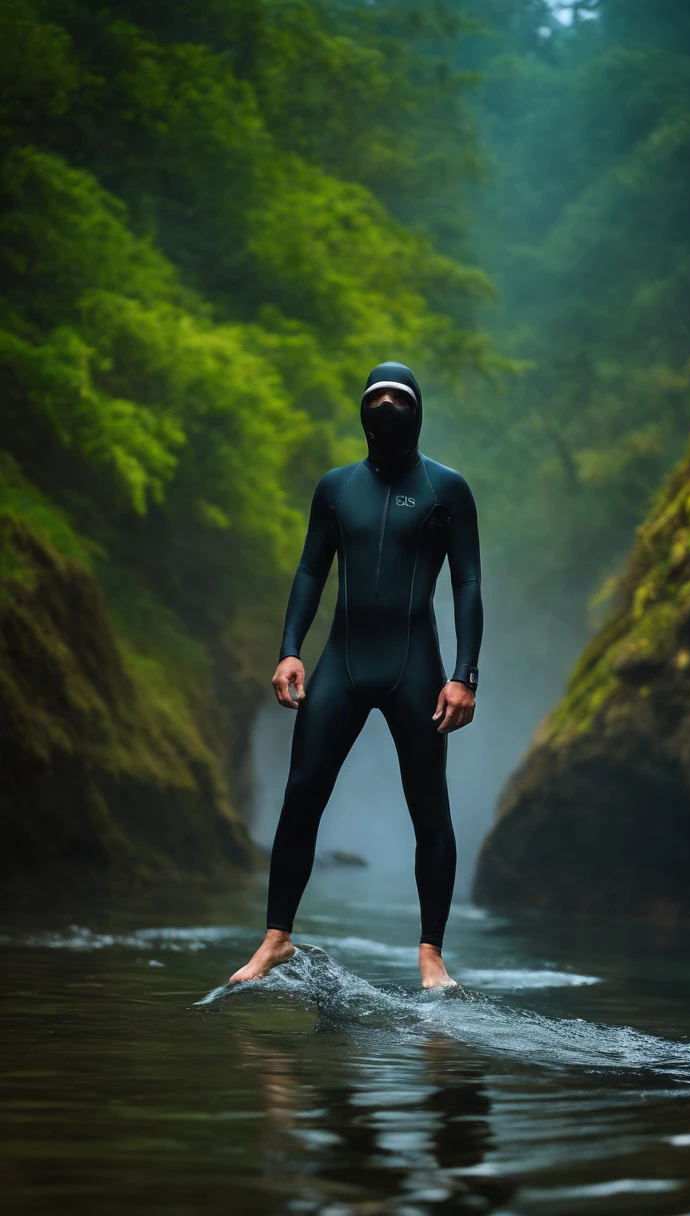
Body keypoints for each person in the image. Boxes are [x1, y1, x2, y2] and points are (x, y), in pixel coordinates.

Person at [230, 361, 483, 989]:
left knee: (429, 806)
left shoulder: (446, 489)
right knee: (302, 792)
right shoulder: (336, 488)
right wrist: (289, 649)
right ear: (362, 411)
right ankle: (275, 940)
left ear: (418, 410)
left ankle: (431, 956)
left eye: (401, 397)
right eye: (378, 397)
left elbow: (469, 584)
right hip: (341, 662)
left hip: (415, 667)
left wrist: (465, 674)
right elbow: (310, 571)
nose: (389, 406)